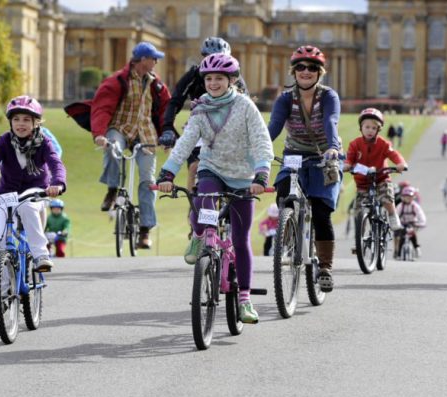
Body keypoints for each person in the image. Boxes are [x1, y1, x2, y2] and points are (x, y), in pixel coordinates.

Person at [156, 53, 274, 323]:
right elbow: (185, 143)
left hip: (243, 176)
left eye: (219, 78)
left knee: (241, 240)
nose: (213, 83)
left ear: (231, 80)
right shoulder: (200, 109)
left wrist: (261, 174)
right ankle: (200, 237)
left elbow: (261, 141)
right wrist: (168, 172)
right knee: (202, 202)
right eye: (208, 78)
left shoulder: (245, 106)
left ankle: (244, 299)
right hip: (213, 168)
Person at [0, 95, 66, 315]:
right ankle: (1, 296)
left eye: (26, 120)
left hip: (35, 192)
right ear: (10, 121)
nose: (21, 123)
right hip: (7, 194)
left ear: (36, 123)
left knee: (28, 208)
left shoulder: (44, 142)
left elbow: (56, 163)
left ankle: (41, 256)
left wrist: (57, 183)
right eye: (16, 119)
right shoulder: (4, 141)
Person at [268, 45, 343, 293]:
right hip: (294, 155)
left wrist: (333, 147)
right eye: (300, 67)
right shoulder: (285, 98)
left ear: (319, 72)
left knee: (321, 212)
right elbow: (274, 127)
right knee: (282, 194)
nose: (306, 71)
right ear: (294, 71)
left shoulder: (329, 96)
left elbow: (331, 121)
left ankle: (324, 267)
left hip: (324, 154)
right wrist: (261, 147)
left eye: (312, 67)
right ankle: (290, 235)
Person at [90, 41, 171, 249]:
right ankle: (112, 189)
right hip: (121, 127)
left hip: (145, 133)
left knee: (147, 180)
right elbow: (102, 107)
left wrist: (167, 136)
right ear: (143, 60)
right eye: (154, 59)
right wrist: (99, 134)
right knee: (113, 147)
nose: (156, 62)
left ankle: (145, 230)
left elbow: (165, 111)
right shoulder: (118, 80)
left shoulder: (156, 83)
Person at [159, 37, 248, 191]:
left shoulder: (235, 78)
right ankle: (194, 208)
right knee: (195, 166)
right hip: (200, 126)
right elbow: (175, 101)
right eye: (209, 57)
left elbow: (247, 108)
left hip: (228, 130)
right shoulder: (194, 74)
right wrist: (167, 127)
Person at [344, 108, 407, 232]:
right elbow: (350, 158)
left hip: (381, 178)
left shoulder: (383, 144)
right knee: (358, 210)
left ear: (378, 130)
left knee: (387, 198)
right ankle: (360, 240)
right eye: (367, 127)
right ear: (361, 127)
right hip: (363, 182)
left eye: (374, 128)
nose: (370, 131)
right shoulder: (355, 144)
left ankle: (393, 215)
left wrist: (401, 163)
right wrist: (347, 165)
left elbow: (394, 154)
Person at [394, 186, 426, 258]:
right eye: (406, 196)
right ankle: (398, 253)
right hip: (402, 223)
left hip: (413, 223)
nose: (408, 198)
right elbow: (396, 215)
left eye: (410, 196)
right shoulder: (400, 206)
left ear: (413, 197)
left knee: (413, 234)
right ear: (403, 197)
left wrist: (421, 223)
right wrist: (396, 223)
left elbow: (421, 215)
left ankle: (416, 248)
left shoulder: (415, 206)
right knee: (401, 236)